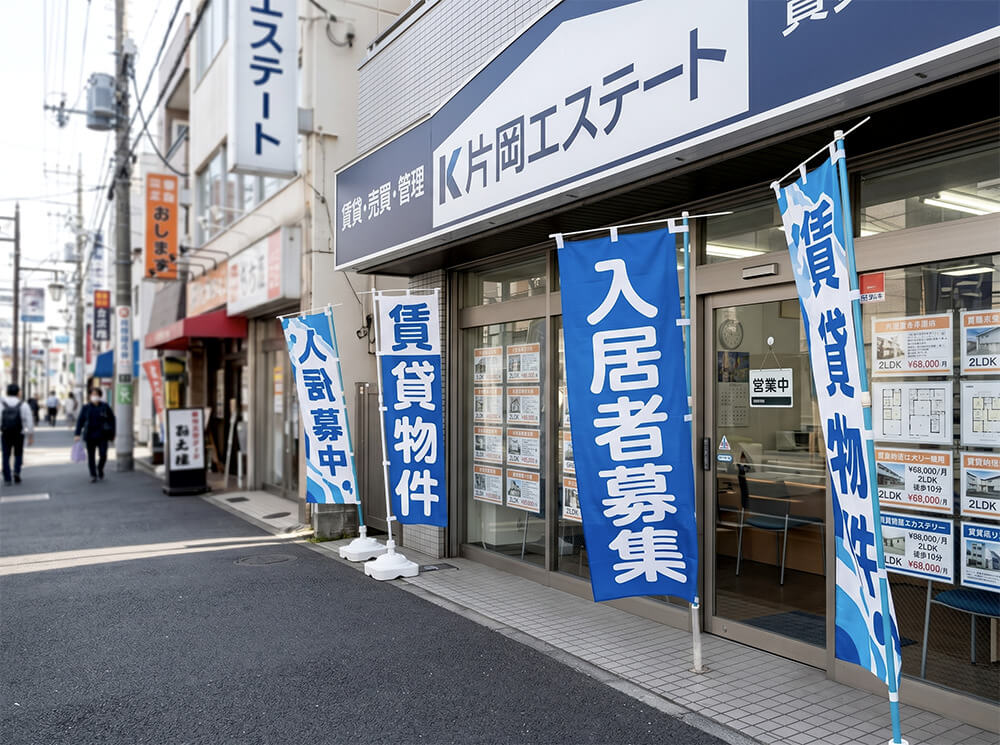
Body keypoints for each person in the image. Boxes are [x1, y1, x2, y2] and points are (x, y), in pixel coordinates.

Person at [75, 388, 116, 483]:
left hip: (103, 435)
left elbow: (112, 420)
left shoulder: (105, 407)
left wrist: (113, 433)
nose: (94, 396)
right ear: (89, 396)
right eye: (92, 394)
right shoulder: (86, 408)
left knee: (103, 455)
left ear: (100, 396)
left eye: (96, 394)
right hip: (90, 435)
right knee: (91, 456)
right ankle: (93, 474)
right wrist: (77, 433)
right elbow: (80, 421)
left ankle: (100, 468)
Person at [2, 383, 35, 486]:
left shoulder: (1, 404)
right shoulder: (23, 405)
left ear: (7, 392)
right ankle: (16, 472)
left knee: (6, 455)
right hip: (18, 433)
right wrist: (30, 435)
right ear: (18, 392)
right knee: (18, 454)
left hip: (5, 432)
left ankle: (7, 477)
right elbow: (29, 421)